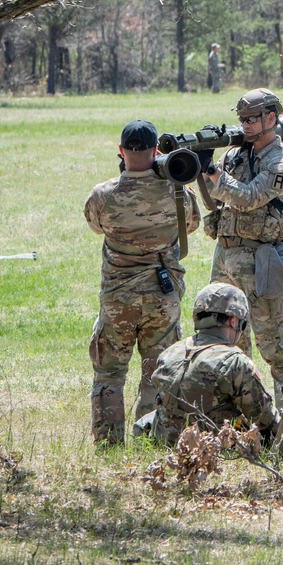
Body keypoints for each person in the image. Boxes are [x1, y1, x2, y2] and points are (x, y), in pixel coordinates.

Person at [84, 119, 200, 445]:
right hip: (161, 297)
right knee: (157, 373)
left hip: (118, 298)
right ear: (156, 151)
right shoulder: (177, 191)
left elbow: (96, 227)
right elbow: (190, 226)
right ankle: (149, 440)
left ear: (121, 151)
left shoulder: (102, 196)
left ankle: (108, 445)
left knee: (108, 375)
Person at [199, 88, 283, 409]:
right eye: (241, 119)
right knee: (229, 341)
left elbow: (249, 197)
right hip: (226, 256)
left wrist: (214, 172)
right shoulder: (235, 155)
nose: (244, 125)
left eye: (251, 119)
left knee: (274, 347)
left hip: (261, 262)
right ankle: (243, 415)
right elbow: (216, 200)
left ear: (271, 118)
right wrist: (201, 171)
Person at [142, 283, 282, 445]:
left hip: (165, 442)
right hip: (209, 448)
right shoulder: (235, 362)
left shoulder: (171, 351)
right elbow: (264, 418)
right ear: (233, 321)